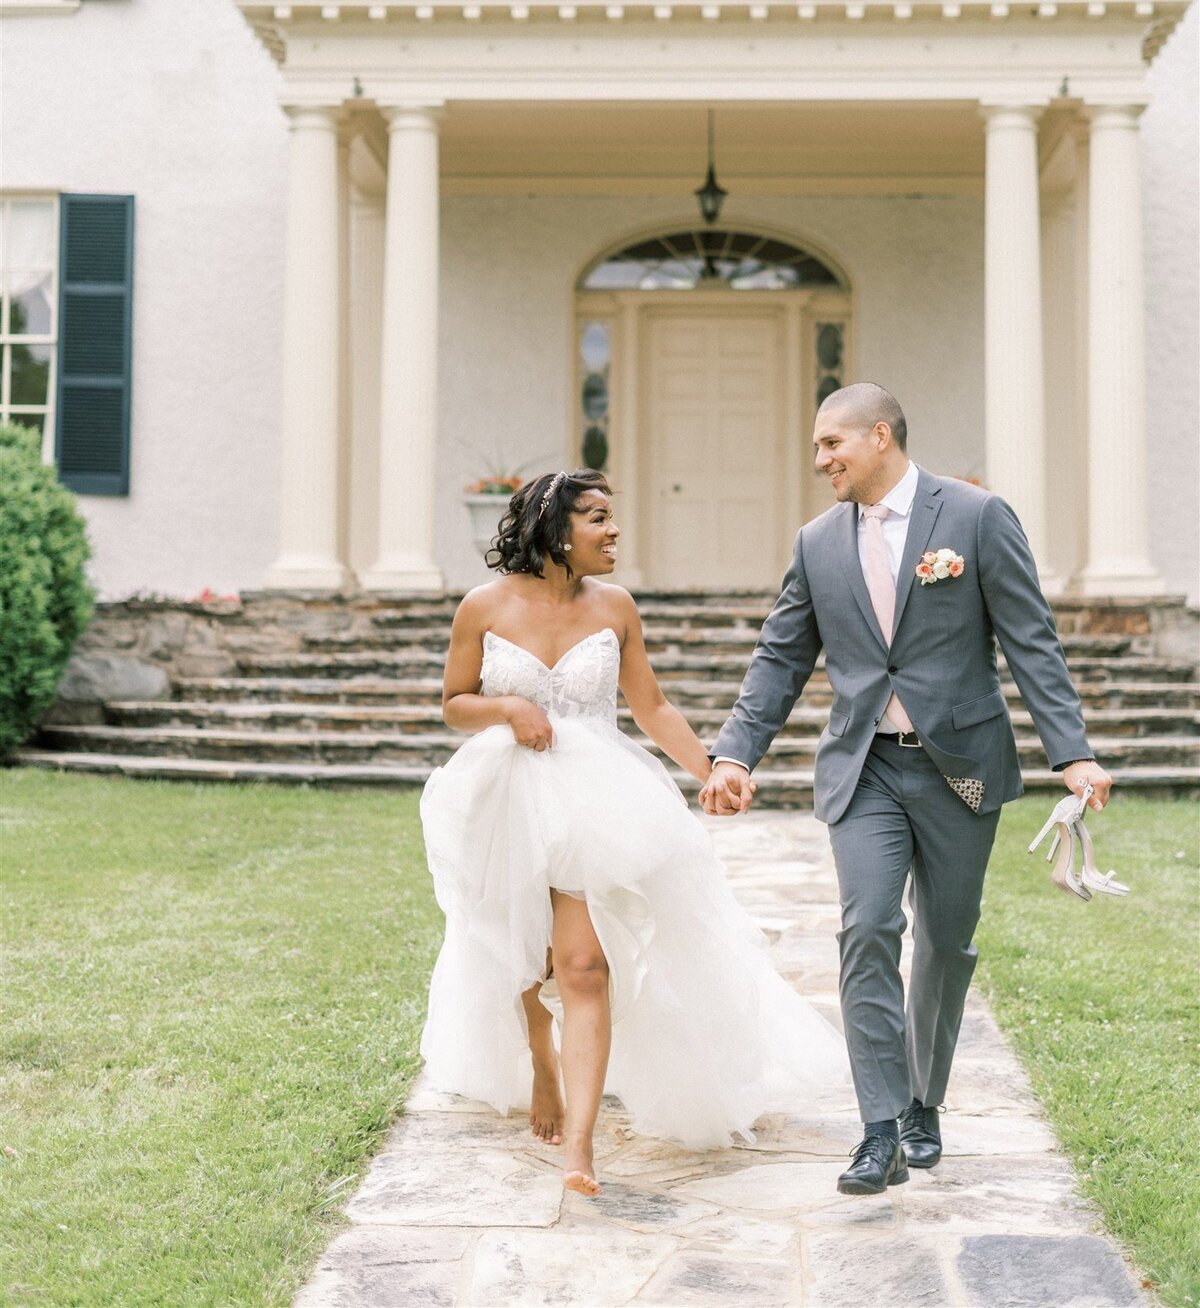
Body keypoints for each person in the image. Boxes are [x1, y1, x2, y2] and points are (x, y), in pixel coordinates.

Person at [702, 382, 1112, 1196]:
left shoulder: (972, 517)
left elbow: (1032, 640)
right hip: (866, 769)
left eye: (831, 444)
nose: (820, 460)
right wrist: (736, 754)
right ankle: (880, 1127)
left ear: (879, 436)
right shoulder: (818, 542)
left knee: (947, 943)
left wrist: (1073, 753)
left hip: (960, 767)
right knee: (867, 929)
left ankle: (927, 1102)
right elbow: (781, 658)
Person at [419, 469, 847, 1196]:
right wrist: (509, 712)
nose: (614, 531)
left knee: (585, 967)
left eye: (611, 517)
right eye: (597, 518)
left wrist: (714, 769)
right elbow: (454, 702)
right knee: (519, 958)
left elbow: (651, 707)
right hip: (504, 797)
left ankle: (580, 1148)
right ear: (555, 530)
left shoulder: (615, 607)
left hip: (597, 802)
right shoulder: (482, 607)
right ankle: (541, 1062)